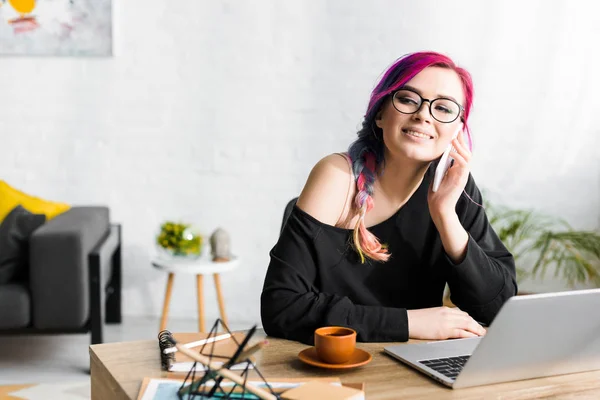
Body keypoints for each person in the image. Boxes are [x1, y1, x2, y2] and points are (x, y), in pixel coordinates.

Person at [260, 51, 517, 345]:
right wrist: (408, 322)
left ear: (458, 129)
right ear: (380, 114)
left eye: (444, 108)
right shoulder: (337, 177)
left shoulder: (452, 185)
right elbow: (281, 307)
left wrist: (445, 215)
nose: (423, 115)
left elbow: (498, 308)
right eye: (408, 99)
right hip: (332, 365)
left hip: (411, 368)